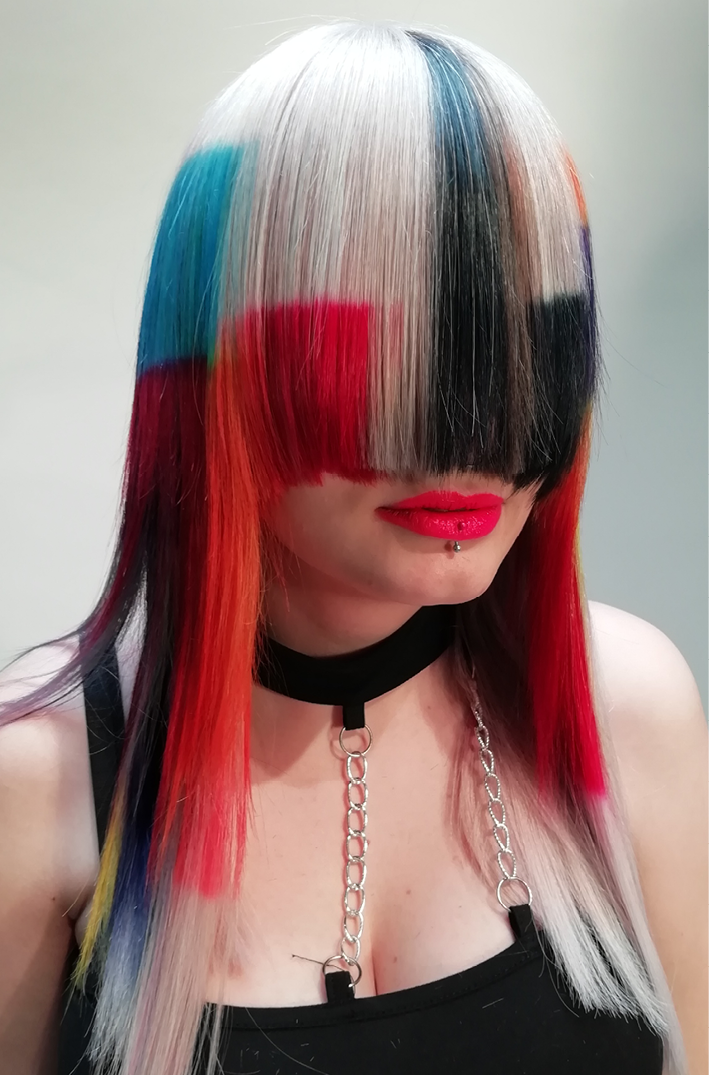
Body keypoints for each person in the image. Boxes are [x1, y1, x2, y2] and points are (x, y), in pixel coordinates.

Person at [0, 21, 706, 1075]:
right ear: (221, 362)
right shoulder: (39, 783)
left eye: (521, 347)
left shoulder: (628, 713)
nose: (472, 441)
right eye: (382, 352)